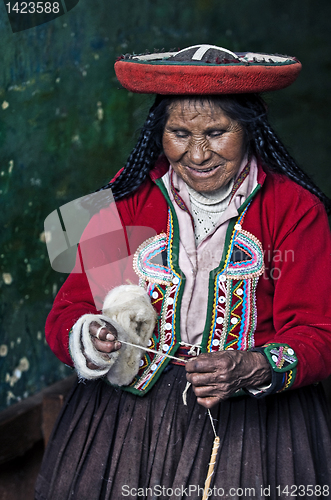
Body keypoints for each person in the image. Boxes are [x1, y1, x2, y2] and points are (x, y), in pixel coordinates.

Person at [35, 45, 331, 500]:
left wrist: (252, 365)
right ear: (160, 135)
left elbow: (318, 332)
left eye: (216, 132)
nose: (196, 154)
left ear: (250, 130)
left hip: (256, 430)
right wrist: (91, 334)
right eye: (178, 133)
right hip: (125, 429)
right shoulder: (124, 198)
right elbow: (68, 311)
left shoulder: (294, 209)